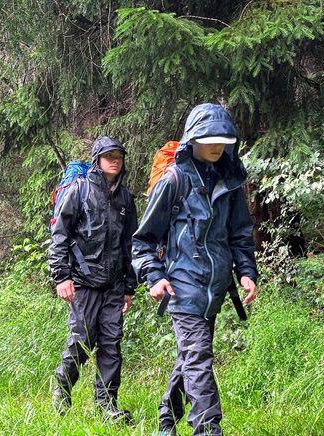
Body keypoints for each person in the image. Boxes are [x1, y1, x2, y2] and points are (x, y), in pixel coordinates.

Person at [131, 103, 258, 435]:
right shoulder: (174, 181)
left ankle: (166, 420)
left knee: (191, 360)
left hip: (214, 290)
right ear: (193, 139)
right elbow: (143, 241)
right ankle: (207, 430)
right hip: (183, 287)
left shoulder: (229, 181)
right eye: (208, 138)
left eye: (222, 139)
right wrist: (154, 276)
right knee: (200, 363)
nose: (216, 146)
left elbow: (240, 232)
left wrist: (246, 271)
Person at [48, 136, 138, 422]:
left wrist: (128, 286)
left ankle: (106, 405)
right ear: (97, 160)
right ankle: (62, 387)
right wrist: (62, 276)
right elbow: (60, 236)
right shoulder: (80, 190)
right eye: (109, 155)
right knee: (82, 341)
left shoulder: (126, 199)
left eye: (119, 156)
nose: (115, 160)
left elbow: (129, 244)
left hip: (113, 286)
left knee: (112, 344)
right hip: (84, 282)